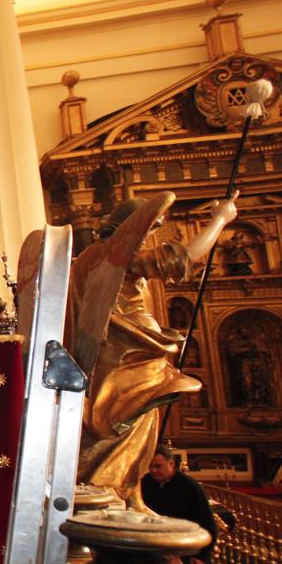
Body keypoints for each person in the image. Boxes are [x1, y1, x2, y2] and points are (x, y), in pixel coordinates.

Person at [71, 191, 238, 509]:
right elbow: (180, 260)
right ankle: (109, 489)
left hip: (121, 355)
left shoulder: (89, 258)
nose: (149, 236)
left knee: (138, 423)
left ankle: (129, 490)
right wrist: (220, 219)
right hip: (127, 358)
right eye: (149, 229)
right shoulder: (118, 255)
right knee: (126, 423)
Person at [141, 448, 217, 564]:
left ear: (171, 464)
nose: (153, 470)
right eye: (150, 466)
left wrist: (202, 556)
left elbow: (207, 522)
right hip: (155, 548)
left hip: (186, 549)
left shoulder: (189, 486)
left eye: (158, 466)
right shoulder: (145, 482)